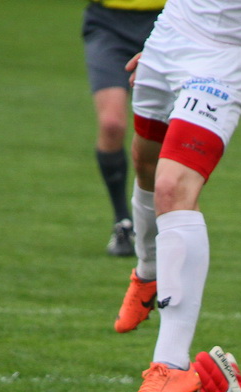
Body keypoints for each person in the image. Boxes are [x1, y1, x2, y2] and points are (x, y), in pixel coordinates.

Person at [116, 0, 241, 392]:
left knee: (173, 186)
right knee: (146, 161)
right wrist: (167, 45)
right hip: (170, 30)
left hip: (225, 57)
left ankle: (171, 364)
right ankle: (148, 273)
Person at [82, 0, 166, 257]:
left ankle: (165, 222)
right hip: (108, 23)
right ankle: (123, 223)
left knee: (167, 129)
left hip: (166, 20)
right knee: (111, 124)